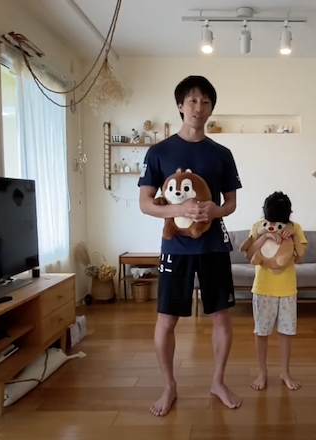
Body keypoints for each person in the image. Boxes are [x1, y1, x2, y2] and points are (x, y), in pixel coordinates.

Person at [138, 75, 243, 416]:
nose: (199, 107)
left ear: (211, 109)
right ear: (181, 106)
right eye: (193, 101)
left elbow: (231, 203)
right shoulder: (159, 152)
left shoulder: (222, 154)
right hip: (176, 250)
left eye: (206, 102)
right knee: (167, 320)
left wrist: (215, 210)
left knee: (221, 318)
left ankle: (218, 382)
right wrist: (178, 210)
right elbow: (145, 203)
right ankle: (169, 386)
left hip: (214, 247)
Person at [246, 192, 307, 391]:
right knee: (261, 331)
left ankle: (285, 372)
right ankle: (262, 373)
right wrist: (264, 236)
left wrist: (294, 236)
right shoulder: (259, 226)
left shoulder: (295, 227)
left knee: (286, 332)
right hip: (263, 288)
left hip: (287, 289)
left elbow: (300, 258)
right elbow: (249, 253)